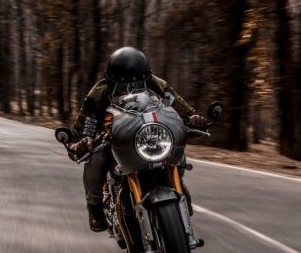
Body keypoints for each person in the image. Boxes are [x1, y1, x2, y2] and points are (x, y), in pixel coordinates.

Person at [69, 47, 208, 231]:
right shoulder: (96, 97)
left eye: (138, 85)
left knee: (173, 141)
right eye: (122, 87)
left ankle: (179, 186)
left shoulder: (158, 85)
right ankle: (94, 206)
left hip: (146, 135)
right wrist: (80, 144)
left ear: (147, 79)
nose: (131, 91)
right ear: (109, 82)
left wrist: (194, 120)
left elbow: (185, 112)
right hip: (114, 139)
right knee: (95, 156)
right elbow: (76, 138)